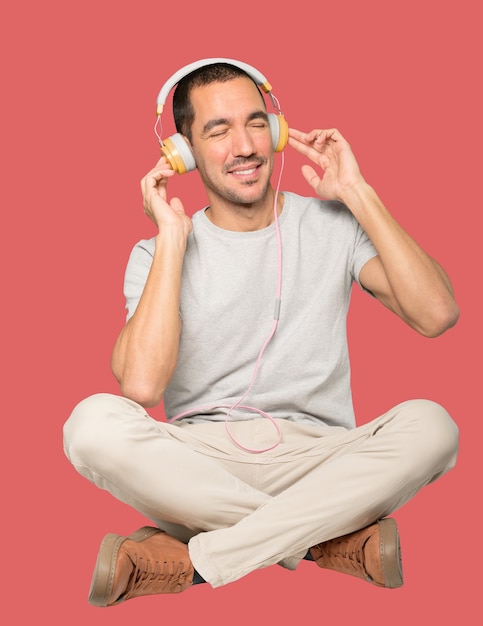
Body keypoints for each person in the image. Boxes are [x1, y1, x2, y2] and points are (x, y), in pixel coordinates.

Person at [63, 59, 460, 608]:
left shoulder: (334, 224)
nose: (244, 146)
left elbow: (436, 313)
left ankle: (200, 560)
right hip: (202, 463)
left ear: (274, 131)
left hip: (323, 458)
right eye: (217, 131)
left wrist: (358, 192)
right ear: (182, 151)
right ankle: (324, 540)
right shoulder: (156, 253)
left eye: (255, 123)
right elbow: (140, 386)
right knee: (90, 425)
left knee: (433, 426)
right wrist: (173, 239)